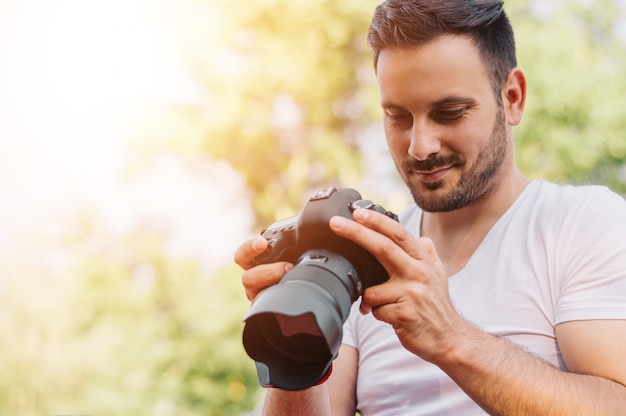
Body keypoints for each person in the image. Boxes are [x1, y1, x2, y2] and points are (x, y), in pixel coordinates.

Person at [234, 1, 626, 414]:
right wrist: (290, 337)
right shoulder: (363, 251)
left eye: (449, 113)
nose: (420, 147)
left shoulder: (584, 224)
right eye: (398, 117)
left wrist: (452, 338)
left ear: (512, 97)